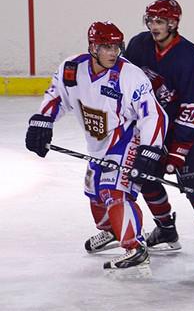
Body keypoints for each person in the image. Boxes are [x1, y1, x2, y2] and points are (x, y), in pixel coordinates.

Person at [25, 21, 168, 272]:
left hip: (126, 136)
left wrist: (150, 147)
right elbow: (57, 96)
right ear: (92, 47)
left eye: (116, 46)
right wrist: (43, 121)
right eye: (105, 47)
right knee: (94, 192)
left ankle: (136, 248)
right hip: (98, 143)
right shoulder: (72, 69)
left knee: (114, 192)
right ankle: (113, 230)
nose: (112, 52)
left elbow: (153, 114)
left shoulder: (130, 75)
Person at [124, 0, 194, 258]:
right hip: (152, 128)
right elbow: (124, 81)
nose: (154, 26)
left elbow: (192, 107)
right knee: (146, 177)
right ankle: (166, 229)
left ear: (173, 23)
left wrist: (178, 150)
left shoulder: (189, 55)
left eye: (160, 21)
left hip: (187, 129)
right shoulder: (138, 45)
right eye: (150, 20)